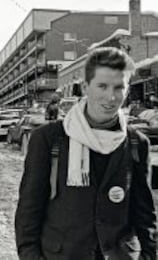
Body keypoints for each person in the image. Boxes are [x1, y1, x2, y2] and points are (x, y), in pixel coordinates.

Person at [15, 47, 157, 260]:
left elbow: (144, 216)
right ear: (85, 87)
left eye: (119, 87)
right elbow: (28, 213)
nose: (111, 97)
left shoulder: (137, 143)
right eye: (102, 86)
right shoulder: (49, 139)